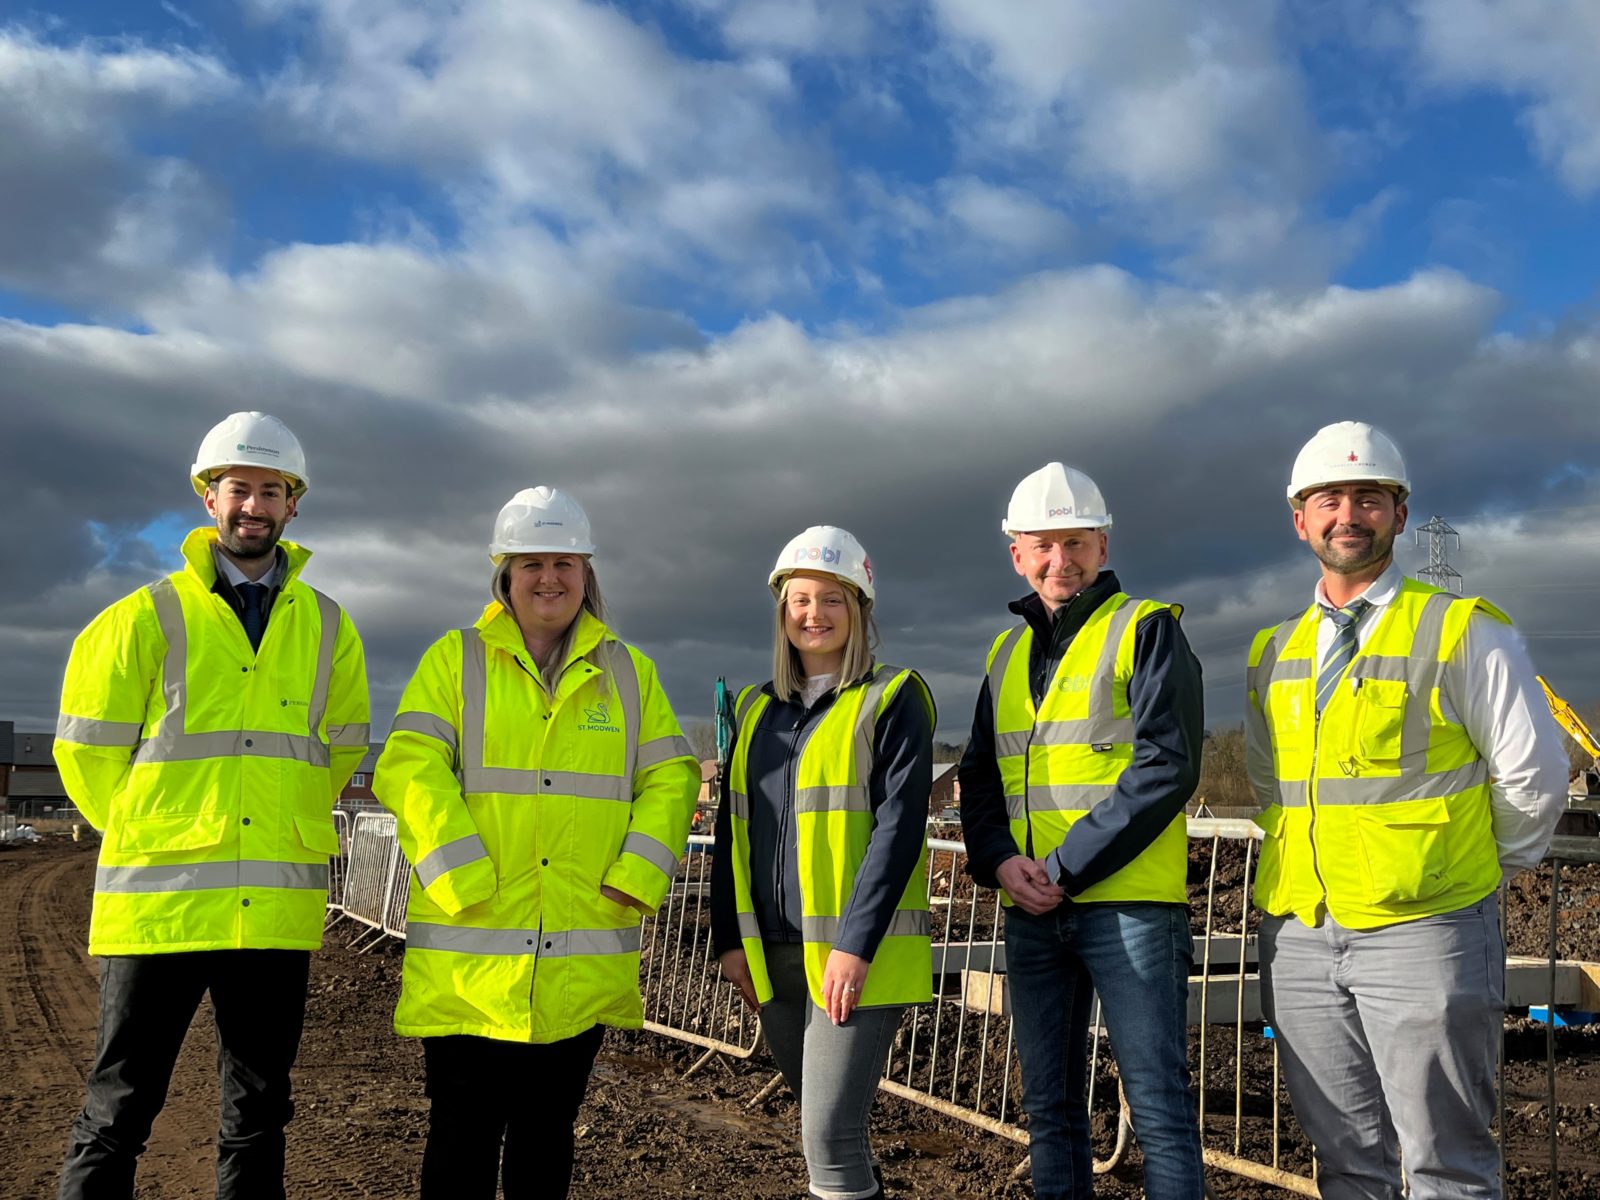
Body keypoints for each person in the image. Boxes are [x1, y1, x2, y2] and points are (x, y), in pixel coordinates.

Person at [52, 411, 370, 1200]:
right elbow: (85, 757)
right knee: (118, 1108)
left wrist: (274, 818)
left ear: (294, 505)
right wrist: (155, 829)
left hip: (268, 916)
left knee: (260, 1111)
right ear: (207, 498)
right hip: (160, 909)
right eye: (238, 489)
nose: (252, 506)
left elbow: (341, 754)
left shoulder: (330, 628)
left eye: (271, 491)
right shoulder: (140, 619)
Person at [1245, 421, 1567, 1199]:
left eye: (1368, 497)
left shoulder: (1464, 629)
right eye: (1328, 499)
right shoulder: (1271, 650)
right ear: (1300, 518)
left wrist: (1476, 869)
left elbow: (1535, 775)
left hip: (1427, 932)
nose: (1346, 513)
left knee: (1444, 1164)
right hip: (1304, 932)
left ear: (1399, 512)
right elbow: (1269, 784)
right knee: (1347, 1162)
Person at [374, 486, 698, 1200]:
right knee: (461, 1135)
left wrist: (635, 877)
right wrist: (460, 874)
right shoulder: (453, 661)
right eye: (532, 563)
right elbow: (408, 767)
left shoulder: (629, 672)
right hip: (472, 957)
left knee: (546, 1137)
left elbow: (673, 779)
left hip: (577, 955)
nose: (549, 578)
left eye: (564, 562)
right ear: (504, 575)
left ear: (587, 574)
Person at [957, 463, 1204, 1200]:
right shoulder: (1004, 654)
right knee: (1051, 1111)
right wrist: (1001, 861)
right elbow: (978, 775)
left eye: (1075, 543)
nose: (1058, 561)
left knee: (1157, 1109)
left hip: (1126, 906)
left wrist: (1059, 869)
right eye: (1042, 546)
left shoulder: (1147, 629)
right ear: (1017, 554)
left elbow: (1168, 766)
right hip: (1031, 909)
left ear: (1102, 544)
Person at [711, 526, 934, 1200]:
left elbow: (899, 829)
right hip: (772, 952)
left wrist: (854, 946)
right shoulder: (754, 708)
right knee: (830, 1135)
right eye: (801, 599)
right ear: (783, 610)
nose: (815, 614)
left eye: (833, 599)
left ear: (860, 609)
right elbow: (731, 830)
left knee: (830, 1137)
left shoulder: (893, 697)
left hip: (855, 960)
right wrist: (728, 938)